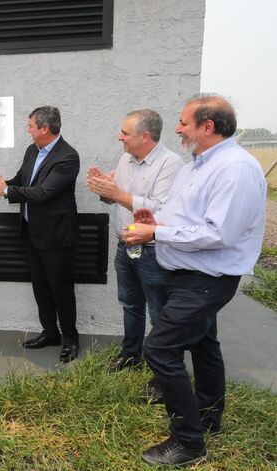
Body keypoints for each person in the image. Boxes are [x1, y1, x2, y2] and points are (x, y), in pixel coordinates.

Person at [124, 94, 266, 467]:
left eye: (184, 123)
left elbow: (219, 234)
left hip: (207, 278)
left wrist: (156, 235)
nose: (177, 129)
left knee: (159, 349)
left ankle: (189, 442)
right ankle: (207, 415)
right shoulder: (196, 165)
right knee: (204, 344)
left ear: (208, 126)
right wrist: (155, 219)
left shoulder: (235, 169)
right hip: (186, 272)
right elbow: (182, 215)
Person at [86, 110, 183, 372]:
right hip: (125, 245)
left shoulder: (170, 164)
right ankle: (131, 357)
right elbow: (116, 199)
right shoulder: (126, 159)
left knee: (159, 312)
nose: (120, 138)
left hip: (153, 250)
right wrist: (105, 190)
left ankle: (163, 368)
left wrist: (118, 193)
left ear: (145, 136)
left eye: (125, 133)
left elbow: (161, 209)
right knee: (130, 305)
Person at [0, 106, 81, 363]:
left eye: (30, 126)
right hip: (32, 232)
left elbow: (43, 193)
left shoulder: (68, 157)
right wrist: (4, 184)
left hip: (57, 237)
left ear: (44, 129)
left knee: (61, 290)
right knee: (41, 288)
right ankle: (50, 333)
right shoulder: (32, 151)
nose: (27, 130)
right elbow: (23, 179)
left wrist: (6, 192)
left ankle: (70, 340)